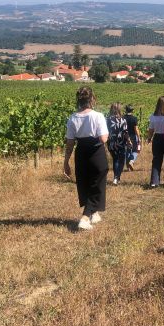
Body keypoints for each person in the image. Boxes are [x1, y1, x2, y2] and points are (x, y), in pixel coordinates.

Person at [64, 86, 109, 231]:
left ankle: (94, 213)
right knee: (97, 183)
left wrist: (66, 162)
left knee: (85, 182)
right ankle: (84, 218)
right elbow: (103, 138)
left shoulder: (72, 118)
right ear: (92, 99)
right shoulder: (97, 116)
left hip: (81, 152)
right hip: (96, 152)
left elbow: (70, 142)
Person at [106, 102, 129, 185]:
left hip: (111, 143)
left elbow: (105, 132)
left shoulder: (107, 120)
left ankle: (116, 178)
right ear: (119, 109)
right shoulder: (123, 120)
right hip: (121, 142)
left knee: (115, 159)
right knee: (122, 160)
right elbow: (125, 132)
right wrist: (129, 141)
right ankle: (116, 177)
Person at [124, 104, 141, 171]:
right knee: (135, 150)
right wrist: (139, 137)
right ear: (132, 110)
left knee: (127, 151)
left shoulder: (123, 118)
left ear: (126, 110)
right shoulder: (134, 119)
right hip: (133, 136)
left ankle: (128, 167)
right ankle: (132, 161)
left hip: (124, 136)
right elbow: (136, 129)